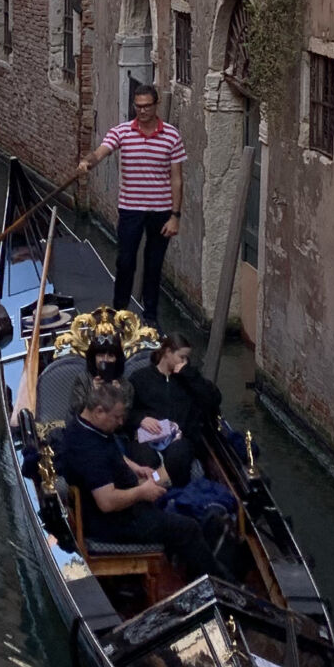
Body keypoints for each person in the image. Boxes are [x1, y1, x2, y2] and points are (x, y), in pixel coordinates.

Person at [53, 338, 218, 581]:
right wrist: (142, 493)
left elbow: (111, 453)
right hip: (113, 523)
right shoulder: (88, 448)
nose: (122, 423)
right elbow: (107, 502)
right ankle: (218, 585)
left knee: (177, 512)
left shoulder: (86, 428)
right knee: (189, 526)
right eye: (118, 417)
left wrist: (132, 466)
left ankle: (197, 570)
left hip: (122, 508)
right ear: (99, 411)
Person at [85, 83, 186, 324]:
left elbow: (177, 178)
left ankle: (150, 317)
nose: (142, 111)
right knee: (125, 261)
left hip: (161, 211)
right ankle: (119, 312)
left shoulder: (171, 135)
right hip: (130, 208)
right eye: (138, 106)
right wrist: (87, 163)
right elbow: (101, 152)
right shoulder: (121, 131)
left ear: (156, 105)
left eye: (146, 106)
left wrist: (175, 216)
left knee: (154, 265)